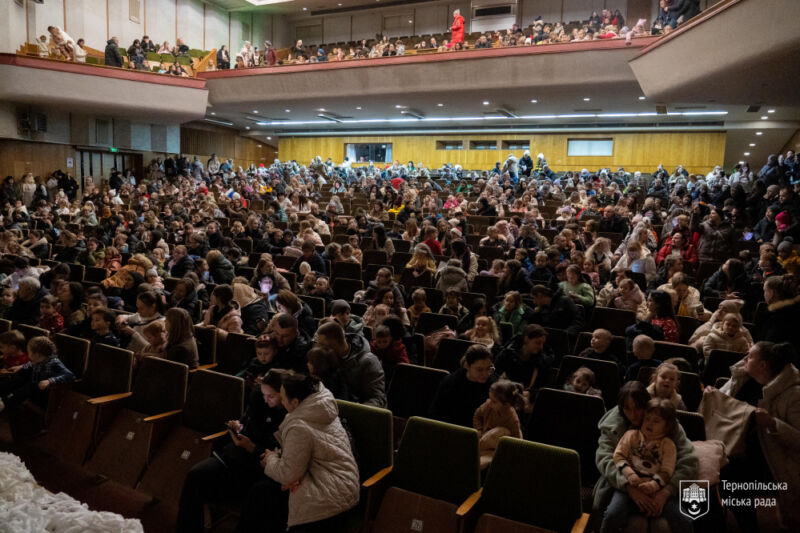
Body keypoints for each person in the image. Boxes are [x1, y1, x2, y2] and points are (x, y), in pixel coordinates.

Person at [176, 369, 287, 533]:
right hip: (236, 456)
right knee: (195, 475)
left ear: (284, 395)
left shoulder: (289, 416)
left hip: (261, 467)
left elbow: (279, 454)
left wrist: (252, 447)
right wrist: (238, 426)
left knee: (258, 495)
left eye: (271, 396)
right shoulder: (258, 399)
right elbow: (246, 424)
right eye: (264, 394)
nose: (266, 400)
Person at [260, 373, 360, 532]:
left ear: (295, 402)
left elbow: (288, 474)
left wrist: (270, 458)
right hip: (346, 485)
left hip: (328, 497)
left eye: (284, 397)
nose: (282, 400)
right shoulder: (319, 404)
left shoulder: (300, 426)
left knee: (261, 496)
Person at [715, 342, 800, 530]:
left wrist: (772, 423)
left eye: (750, 356)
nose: (744, 359)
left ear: (763, 365)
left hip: (773, 463)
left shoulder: (794, 394)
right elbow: (724, 400)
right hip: (740, 453)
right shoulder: (744, 379)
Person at [593, 382, 697, 533]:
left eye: (638, 408)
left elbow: (689, 460)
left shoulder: (663, 420)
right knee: (612, 515)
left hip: (660, 486)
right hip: (623, 483)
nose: (633, 414)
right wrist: (629, 486)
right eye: (627, 409)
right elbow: (605, 458)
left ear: (647, 404)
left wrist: (666, 491)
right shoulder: (615, 424)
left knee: (683, 520)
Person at [313, 321, 386, 407]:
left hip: (356, 412)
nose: (318, 349)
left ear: (335, 345)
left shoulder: (368, 362)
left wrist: (350, 411)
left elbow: (377, 399)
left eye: (321, 345)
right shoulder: (328, 357)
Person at [0, 336, 75, 412]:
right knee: (17, 381)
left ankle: (4, 402)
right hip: (34, 384)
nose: (28, 355)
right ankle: (4, 399)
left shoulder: (54, 362)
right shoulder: (39, 359)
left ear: (37, 354)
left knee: (24, 389)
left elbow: (69, 375)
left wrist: (49, 381)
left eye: (29, 352)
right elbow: (32, 363)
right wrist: (21, 366)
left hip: (44, 392)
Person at [429, 344, 496, 428]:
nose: (485, 374)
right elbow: (436, 413)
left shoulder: (494, 386)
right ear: (467, 366)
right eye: (479, 370)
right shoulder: (451, 382)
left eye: (488, 369)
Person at [473, 379, 524, 468]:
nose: (489, 402)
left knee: (478, 464)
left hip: (495, 450)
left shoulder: (512, 419)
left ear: (506, 405)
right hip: (482, 440)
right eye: (489, 398)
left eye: (494, 401)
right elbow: (477, 416)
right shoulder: (488, 405)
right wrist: (479, 429)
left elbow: (517, 441)